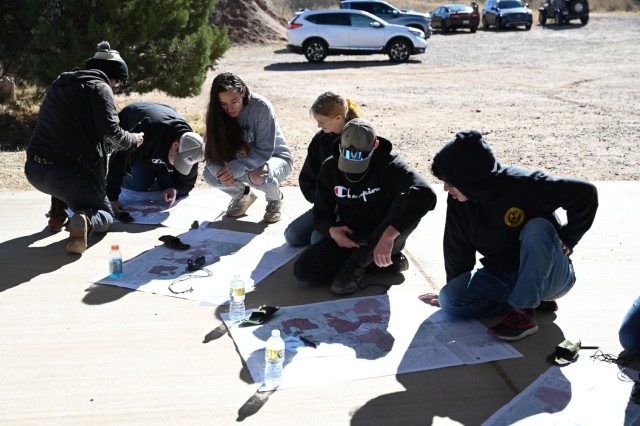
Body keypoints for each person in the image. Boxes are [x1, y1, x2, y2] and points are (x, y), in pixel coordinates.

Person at [425, 130, 598, 341]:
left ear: (468, 177)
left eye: (450, 181)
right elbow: (457, 247)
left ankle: (524, 313)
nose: (445, 188)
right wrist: (455, 287)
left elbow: (586, 194)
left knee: (538, 228)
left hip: (551, 276)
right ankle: (529, 299)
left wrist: (569, 237)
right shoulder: (460, 200)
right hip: (505, 275)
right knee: (449, 300)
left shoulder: (523, 183)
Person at [24, 41, 144, 254]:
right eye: (119, 84)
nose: (117, 90)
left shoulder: (60, 83)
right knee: (106, 215)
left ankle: (57, 215)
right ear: (113, 77)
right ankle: (85, 219)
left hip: (34, 169)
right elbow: (113, 136)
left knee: (62, 157)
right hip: (68, 177)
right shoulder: (101, 87)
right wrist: (134, 139)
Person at [293, 118, 437, 295]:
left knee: (409, 199)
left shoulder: (389, 164)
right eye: (347, 155)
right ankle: (381, 263)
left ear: (375, 145)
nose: (353, 163)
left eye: (360, 157)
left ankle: (359, 263)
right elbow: (320, 214)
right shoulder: (330, 166)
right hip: (353, 235)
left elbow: (426, 193)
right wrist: (331, 230)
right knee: (303, 271)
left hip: (383, 233)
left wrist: (388, 236)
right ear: (340, 146)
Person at [202, 72, 293, 223]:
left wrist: (235, 168)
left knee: (257, 175)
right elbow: (211, 155)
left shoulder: (261, 107)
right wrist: (221, 172)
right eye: (223, 104)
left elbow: (264, 151)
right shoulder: (216, 114)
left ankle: (275, 200)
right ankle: (243, 195)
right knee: (211, 174)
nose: (230, 108)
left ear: (243, 92)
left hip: (274, 159)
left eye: (234, 102)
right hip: (241, 164)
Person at [284, 91, 364, 247]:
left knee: (317, 240)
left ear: (338, 118)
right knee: (292, 236)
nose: (319, 126)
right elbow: (308, 177)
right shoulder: (320, 140)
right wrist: (322, 202)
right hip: (327, 206)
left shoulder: (361, 137)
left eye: (322, 121)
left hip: (354, 206)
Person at [106, 102, 204, 211]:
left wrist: (176, 190)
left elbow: (187, 183)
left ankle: (155, 174)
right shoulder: (148, 133)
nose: (177, 165)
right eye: (178, 161)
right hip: (134, 121)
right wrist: (112, 197)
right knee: (140, 184)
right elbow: (118, 159)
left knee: (168, 184)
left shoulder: (192, 148)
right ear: (175, 145)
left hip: (157, 143)